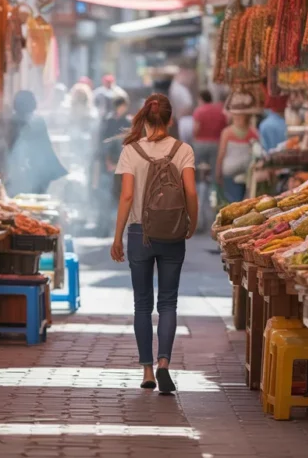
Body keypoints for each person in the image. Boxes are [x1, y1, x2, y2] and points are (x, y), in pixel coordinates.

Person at [110, 94, 197, 394]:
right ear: (170, 120)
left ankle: (146, 369)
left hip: (139, 234)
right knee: (169, 302)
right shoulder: (183, 150)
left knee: (142, 305)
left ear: (144, 119)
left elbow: (127, 197)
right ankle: (164, 363)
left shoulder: (130, 151)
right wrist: (192, 223)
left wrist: (117, 235)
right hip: (173, 234)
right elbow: (191, 192)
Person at [2, 90, 67, 196]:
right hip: (33, 175)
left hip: (15, 176)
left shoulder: (11, 121)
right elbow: (46, 151)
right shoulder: (37, 122)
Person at [97, 96, 132, 233]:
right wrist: (108, 162)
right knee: (106, 194)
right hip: (109, 162)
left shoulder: (127, 122)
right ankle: (104, 225)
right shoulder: (109, 122)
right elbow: (104, 144)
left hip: (122, 162)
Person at [217, 113, 259, 204]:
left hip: (230, 170)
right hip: (247, 171)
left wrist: (218, 173)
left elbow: (221, 154)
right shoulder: (253, 132)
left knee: (232, 202)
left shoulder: (227, 132)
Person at [192, 89, 227, 180]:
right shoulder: (220, 111)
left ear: (201, 99)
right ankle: (214, 188)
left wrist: (195, 138)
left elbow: (196, 128)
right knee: (215, 169)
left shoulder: (199, 111)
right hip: (216, 143)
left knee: (200, 170)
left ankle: (201, 189)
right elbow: (224, 126)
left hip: (200, 143)